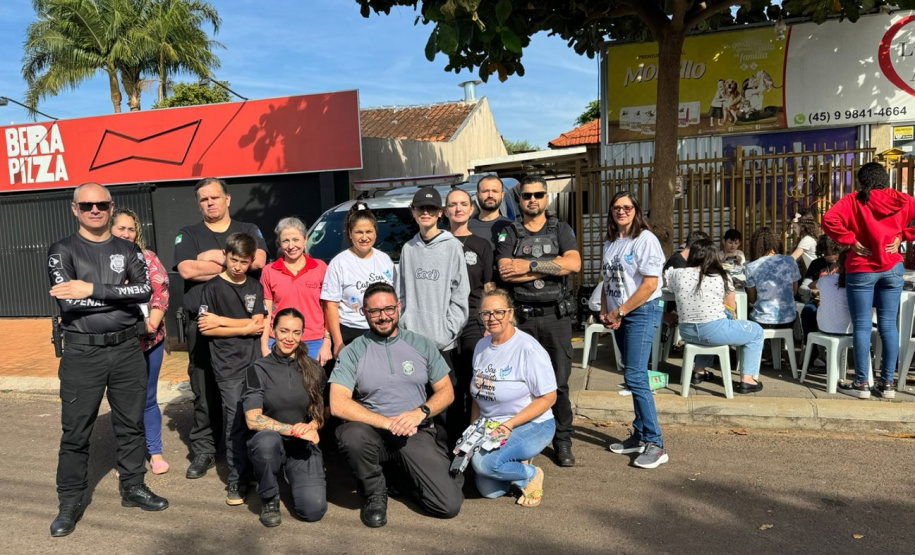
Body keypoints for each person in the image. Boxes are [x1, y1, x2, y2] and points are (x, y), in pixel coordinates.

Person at [47, 183, 167, 537]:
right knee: (75, 432)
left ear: (111, 207)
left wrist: (91, 288)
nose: (95, 210)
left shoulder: (128, 248)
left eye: (101, 204)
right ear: (75, 209)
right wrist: (118, 296)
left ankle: (133, 487)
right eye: (87, 205)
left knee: (131, 424)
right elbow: (69, 303)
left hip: (127, 349)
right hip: (83, 351)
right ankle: (69, 502)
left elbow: (144, 291)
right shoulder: (61, 250)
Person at [329, 282, 463, 528]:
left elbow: (446, 391)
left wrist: (419, 412)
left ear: (398, 306)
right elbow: (338, 404)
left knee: (448, 505)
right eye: (374, 311)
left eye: (389, 308)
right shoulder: (352, 351)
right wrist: (387, 423)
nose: (383, 316)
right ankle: (374, 494)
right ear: (364, 313)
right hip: (374, 431)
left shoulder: (421, 344)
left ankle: (400, 476)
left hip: (414, 431)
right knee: (351, 435)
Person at [173, 177, 267, 480]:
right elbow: (186, 269)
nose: (209, 203)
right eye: (203, 199)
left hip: (243, 328)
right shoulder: (188, 233)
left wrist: (210, 259)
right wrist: (228, 263)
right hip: (201, 325)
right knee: (204, 389)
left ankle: (241, 448)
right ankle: (204, 449)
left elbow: (259, 262)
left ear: (227, 199)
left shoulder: (249, 230)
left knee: (242, 390)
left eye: (214, 197)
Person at [496, 175, 580, 467]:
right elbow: (506, 271)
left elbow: (574, 263)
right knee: (523, 385)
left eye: (538, 194)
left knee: (559, 384)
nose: (533, 199)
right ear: (519, 199)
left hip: (555, 317)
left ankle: (563, 440)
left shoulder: (561, 228)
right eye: (527, 195)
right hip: (522, 319)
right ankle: (525, 439)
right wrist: (552, 266)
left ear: (547, 198)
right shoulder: (509, 232)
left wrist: (530, 266)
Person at [822, 162, 915, 399]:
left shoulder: (854, 200)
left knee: (862, 325)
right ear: (885, 179)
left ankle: (862, 383)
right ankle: (887, 385)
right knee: (887, 325)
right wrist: (903, 235)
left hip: (862, 268)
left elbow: (828, 220)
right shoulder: (902, 199)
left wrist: (850, 240)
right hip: (893, 267)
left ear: (862, 181)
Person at [469, 289, 557, 507]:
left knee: (484, 464)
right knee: (490, 491)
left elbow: (548, 397)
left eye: (498, 312)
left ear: (510, 313)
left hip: (531, 423)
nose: (492, 318)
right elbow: (478, 393)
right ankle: (514, 459)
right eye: (486, 313)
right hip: (491, 424)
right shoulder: (481, 346)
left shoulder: (527, 349)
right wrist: (473, 430)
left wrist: (509, 424)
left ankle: (531, 473)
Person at [600, 191, 668, 469]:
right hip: (621, 314)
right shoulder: (611, 242)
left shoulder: (645, 239)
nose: (621, 211)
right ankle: (639, 435)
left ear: (636, 210)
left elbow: (650, 284)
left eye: (627, 207)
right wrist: (606, 310)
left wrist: (622, 310)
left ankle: (655, 442)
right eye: (616, 207)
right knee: (632, 374)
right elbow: (606, 280)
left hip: (641, 311)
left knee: (636, 376)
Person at [198, 233, 267, 505]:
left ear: (251, 261)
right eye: (233, 259)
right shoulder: (212, 288)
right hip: (227, 366)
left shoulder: (254, 286)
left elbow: (259, 323)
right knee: (235, 420)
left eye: (244, 261)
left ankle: (254, 472)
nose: (238, 266)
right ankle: (235, 479)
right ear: (225, 256)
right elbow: (206, 327)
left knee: (257, 417)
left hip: (254, 365)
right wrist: (245, 326)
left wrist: (226, 322)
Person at [242, 307, 327, 527]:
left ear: (302, 334)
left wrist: (313, 426)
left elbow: (322, 411)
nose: (290, 338)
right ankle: (269, 497)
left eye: (296, 332)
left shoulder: (314, 368)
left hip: (303, 446)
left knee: (313, 510)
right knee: (266, 442)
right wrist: (294, 430)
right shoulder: (257, 369)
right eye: (284, 331)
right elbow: (253, 419)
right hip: (273, 443)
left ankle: (294, 474)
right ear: (273, 331)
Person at [398, 186, 470, 446]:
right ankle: (420, 460)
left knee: (445, 410)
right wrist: (404, 327)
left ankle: (447, 462)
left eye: (431, 208)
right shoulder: (408, 249)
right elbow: (402, 294)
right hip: (413, 345)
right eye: (420, 208)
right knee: (416, 405)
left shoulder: (451, 247)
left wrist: (447, 331)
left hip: (442, 346)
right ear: (413, 212)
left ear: (440, 212)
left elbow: (460, 295)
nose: (425, 212)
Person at [110, 208, 170, 475]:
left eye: (131, 229)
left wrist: (150, 325)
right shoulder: (100, 259)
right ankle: (128, 454)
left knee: (147, 398)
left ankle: (155, 452)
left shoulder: (149, 258)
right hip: (116, 342)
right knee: (122, 400)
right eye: (121, 228)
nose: (126, 233)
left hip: (150, 340)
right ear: (110, 229)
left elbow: (161, 292)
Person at [665, 238, 765, 393]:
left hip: (687, 332)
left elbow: (667, 285)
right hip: (714, 330)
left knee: (708, 331)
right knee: (756, 331)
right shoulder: (721, 277)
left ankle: (698, 371)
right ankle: (747, 379)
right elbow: (731, 306)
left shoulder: (677, 274)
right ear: (713, 256)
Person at [445, 188, 495, 433]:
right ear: (445, 211)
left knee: (472, 381)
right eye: (453, 204)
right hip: (443, 322)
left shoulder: (481, 245)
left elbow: (488, 288)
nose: (458, 209)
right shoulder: (438, 244)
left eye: (463, 204)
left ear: (472, 208)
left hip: (473, 321)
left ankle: (472, 434)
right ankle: (450, 438)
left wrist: (488, 323)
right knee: (448, 383)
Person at [321, 202, 396, 358]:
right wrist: (338, 342)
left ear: (375, 232)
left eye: (369, 231)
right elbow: (330, 306)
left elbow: (396, 300)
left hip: (383, 330)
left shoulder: (385, 260)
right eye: (358, 232)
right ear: (350, 233)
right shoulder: (339, 263)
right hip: (351, 333)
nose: (364, 237)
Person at [260, 217, 331, 365]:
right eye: (285, 241)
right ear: (279, 243)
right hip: (279, 341)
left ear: (305, 240)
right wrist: (264, 344)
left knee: (311, 386)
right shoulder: (269, 271)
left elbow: (329, 308)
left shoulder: (320, 268)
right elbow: (265, 312)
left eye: (296, 239)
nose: (291, 245)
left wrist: (327, 341)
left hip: (313, 342)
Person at [743, 227, 800, 330]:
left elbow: (752, 300)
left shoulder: (751, 267)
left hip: (762, 320)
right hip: (789, 319)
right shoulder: (790, 261)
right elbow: (794, 291)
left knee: (745, 313)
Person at [798, 235, 841, 362]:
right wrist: (817, 289)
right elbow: (803, 287)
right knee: (807, 311)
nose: (828, 256)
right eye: (824, 253)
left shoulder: (844, 264)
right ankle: (812, 348)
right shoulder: (816, 264)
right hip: (818, 301)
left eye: (832, 253)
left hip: (839, 304)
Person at [467, 175, 513, 247]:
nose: (490, 195)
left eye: (495, 191)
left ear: (502, 195)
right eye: (485, 191)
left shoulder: (511, 227)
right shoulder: (467, 227)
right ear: (477, 195)